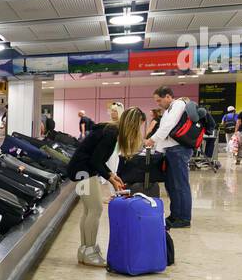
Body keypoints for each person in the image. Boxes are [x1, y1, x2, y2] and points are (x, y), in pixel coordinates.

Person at [67, 106, 145, 268]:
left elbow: (97, 159)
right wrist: (110, 178)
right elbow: (96, 160)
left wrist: (111, 175)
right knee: (95, 210)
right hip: (84, 171)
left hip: (81, 169)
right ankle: (90, 251)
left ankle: (85, 250)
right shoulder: (111, 134)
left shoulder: (109, 130)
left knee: (89, 210)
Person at [144, 86, 193, 230]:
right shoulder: (169, 109)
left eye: (159, 100)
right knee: (171, 185)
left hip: (179, 150)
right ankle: (175, 215)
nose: (158, 104)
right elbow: (163, 128)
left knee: (180, 185)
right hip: (171, 150)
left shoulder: (178, 105)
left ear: (168, 96)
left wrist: (152, 140)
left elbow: (167, 127)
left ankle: (184, 218)